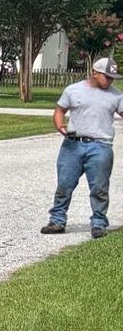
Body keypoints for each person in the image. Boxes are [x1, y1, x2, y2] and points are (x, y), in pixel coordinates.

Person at [42, 53, 120, 237]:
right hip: (72, 145)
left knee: (99, 188)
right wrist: (60, 126)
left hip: (101, 146)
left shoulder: (116, 95)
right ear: (94, 73)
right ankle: (57, 221)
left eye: (112, 78)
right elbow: (60, 110)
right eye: (107, 76)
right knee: (64, 184)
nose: (109, 80)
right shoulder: (73, 90)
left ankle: (99, 223)